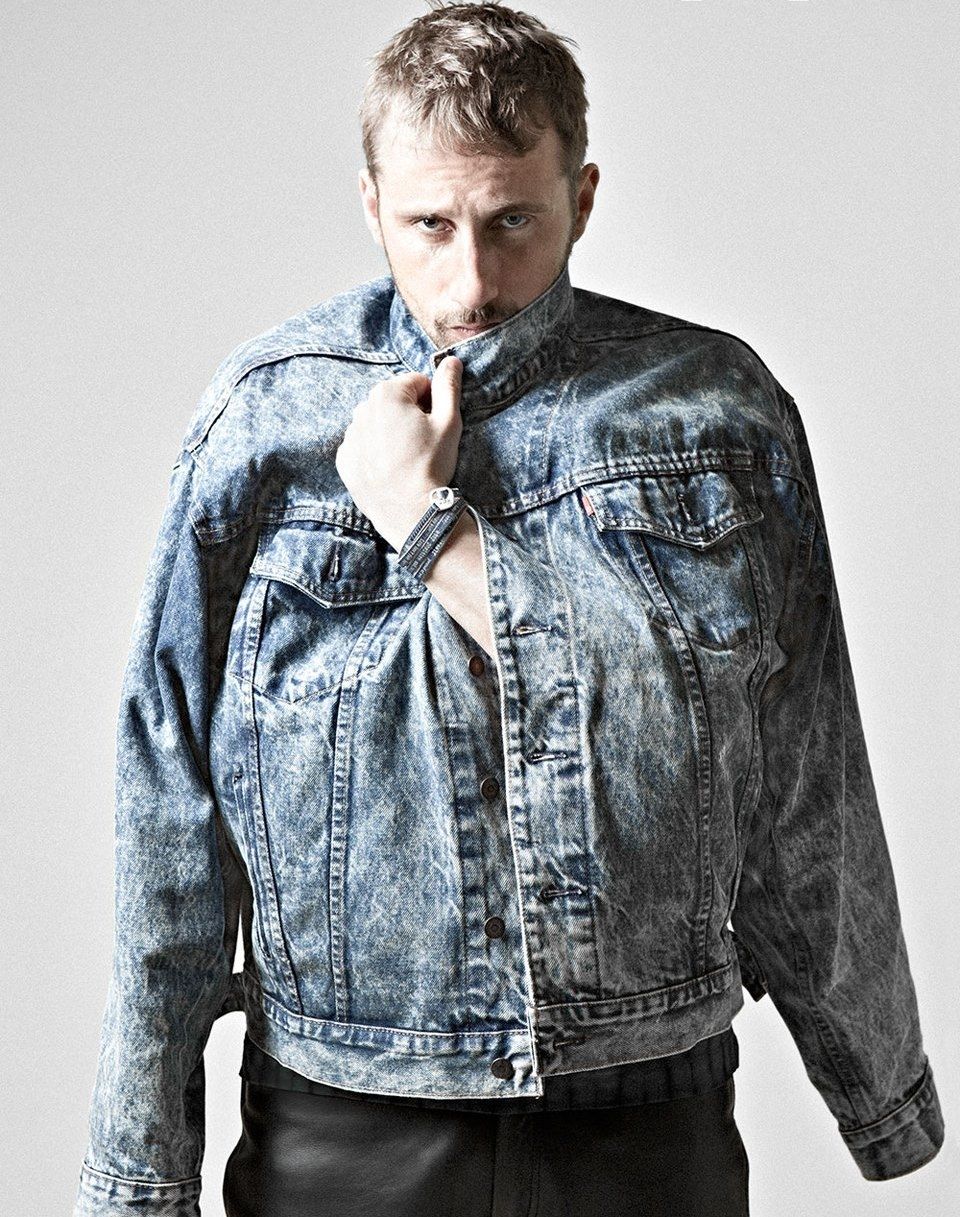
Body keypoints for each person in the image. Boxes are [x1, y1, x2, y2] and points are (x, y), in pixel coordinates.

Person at [73, 4, 944, 1215]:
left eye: (512, 222)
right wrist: (140, 1165)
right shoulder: (264, 421)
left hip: (648, 1118)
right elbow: (169, 797)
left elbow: (805, 776)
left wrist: (878, 1083)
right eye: (430, 225)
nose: (473, 280)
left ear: (581, 198)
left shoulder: (711, 416)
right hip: (343, 1122)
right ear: (373, 204)